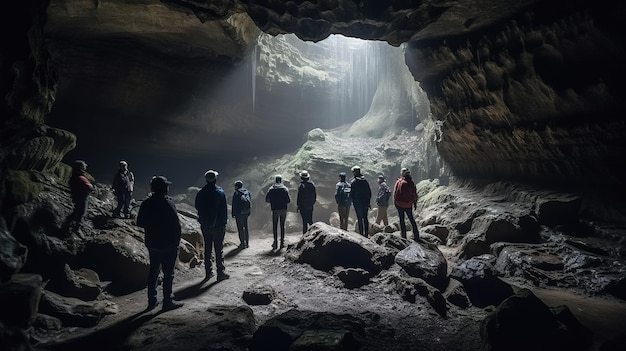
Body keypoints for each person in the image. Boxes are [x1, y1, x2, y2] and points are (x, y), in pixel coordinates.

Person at [136, 175, 184, 311]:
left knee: (153, 272)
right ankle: (167, 301)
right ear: (164, 188)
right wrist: (176, 241)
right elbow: (176, 224)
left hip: (152, 243)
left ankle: (152, 301)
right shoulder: (168, 203)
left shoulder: (146, 203)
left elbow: (139, 222)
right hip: (168, 243)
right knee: (168, 273)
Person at [195, 170, 230, 282]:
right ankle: (220, 272)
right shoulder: (220, 192)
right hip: (218, 226)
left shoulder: (201, 193)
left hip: (205, 225)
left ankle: (208, 272)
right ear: (215, 179)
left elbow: (197, 207)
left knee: (208, 249)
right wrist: (224, 222)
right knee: (218, 249)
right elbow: (224, 210)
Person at [66, 160, 94, 233]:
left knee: (77, 211)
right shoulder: (79, 176)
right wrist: (89, 189)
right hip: (82, 196)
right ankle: (76, 229)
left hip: (77, 196)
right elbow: (89, 187)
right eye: (84, 165)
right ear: (80, 166)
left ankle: (69, 225)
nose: (86, 165)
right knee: (81, 212)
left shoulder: (75, 175)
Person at [265, 174, 290, 250]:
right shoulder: (285, 189)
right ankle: (282, 243)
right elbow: (288, 200)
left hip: (275, 209)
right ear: (281, 180)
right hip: (283, 209)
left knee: (275, 226)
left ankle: (275, 243)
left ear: (275, 180)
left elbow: (267, 200)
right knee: (282, 226)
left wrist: (273, 201)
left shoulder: (271, 189)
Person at [393, 168, 419, 240]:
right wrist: (415, 203)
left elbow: (395, 193)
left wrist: (395, 202)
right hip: (408, 204)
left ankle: (403, 236)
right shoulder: (411, 182)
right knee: (411, 219)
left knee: (402, 220)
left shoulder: (399, 182)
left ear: (402, 173)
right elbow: (414, 194)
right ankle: (416, 234)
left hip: (399, 204)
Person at [349, 166, 372, 237]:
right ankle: (366, 234)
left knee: (359, 218)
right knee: (365, 218)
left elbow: (351, 194)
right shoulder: (365, 181)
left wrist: (352, 201)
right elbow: (369, 192)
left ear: (355, 172)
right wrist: (368, 202)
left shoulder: (353, 182)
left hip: (357, 203)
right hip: (365, 203)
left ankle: (361, 234)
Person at [232, 180, 251, 249]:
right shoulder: (247, 192)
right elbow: (250, 201)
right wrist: (249, 211)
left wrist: (233, 213)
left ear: (236, 186)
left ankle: (243, 243)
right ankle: (247, 243)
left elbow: (234, 204)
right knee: (246, 227)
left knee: (240, 228)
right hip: (246, 212)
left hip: (239, 213)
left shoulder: (236, 193)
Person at [296, 170, 316, 234]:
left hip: (303, 207)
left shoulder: (301, 186)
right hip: (310, 206)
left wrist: (298, 206)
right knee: (310, 220)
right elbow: (314, 196)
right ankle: (314, 233)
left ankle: (304, 235)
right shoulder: (312, 185)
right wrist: (312, 203)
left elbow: (299, 197)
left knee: (304, 221)